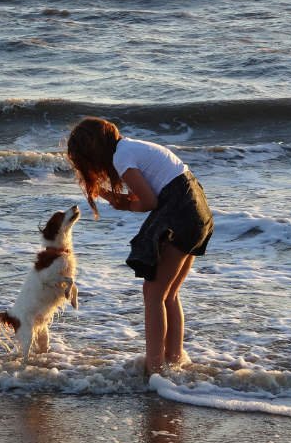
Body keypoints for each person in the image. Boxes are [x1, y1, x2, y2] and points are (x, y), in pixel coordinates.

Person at [67, 117, 213, 376]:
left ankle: (155, 370)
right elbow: (153, 193)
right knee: (168, 294)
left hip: (179, 211)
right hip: (196, 209)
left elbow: (148, 202)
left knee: (153, 293)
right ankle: (174, 360)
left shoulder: (122, 157)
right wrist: (117, 198)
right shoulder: (130, 148)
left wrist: (125, 204)